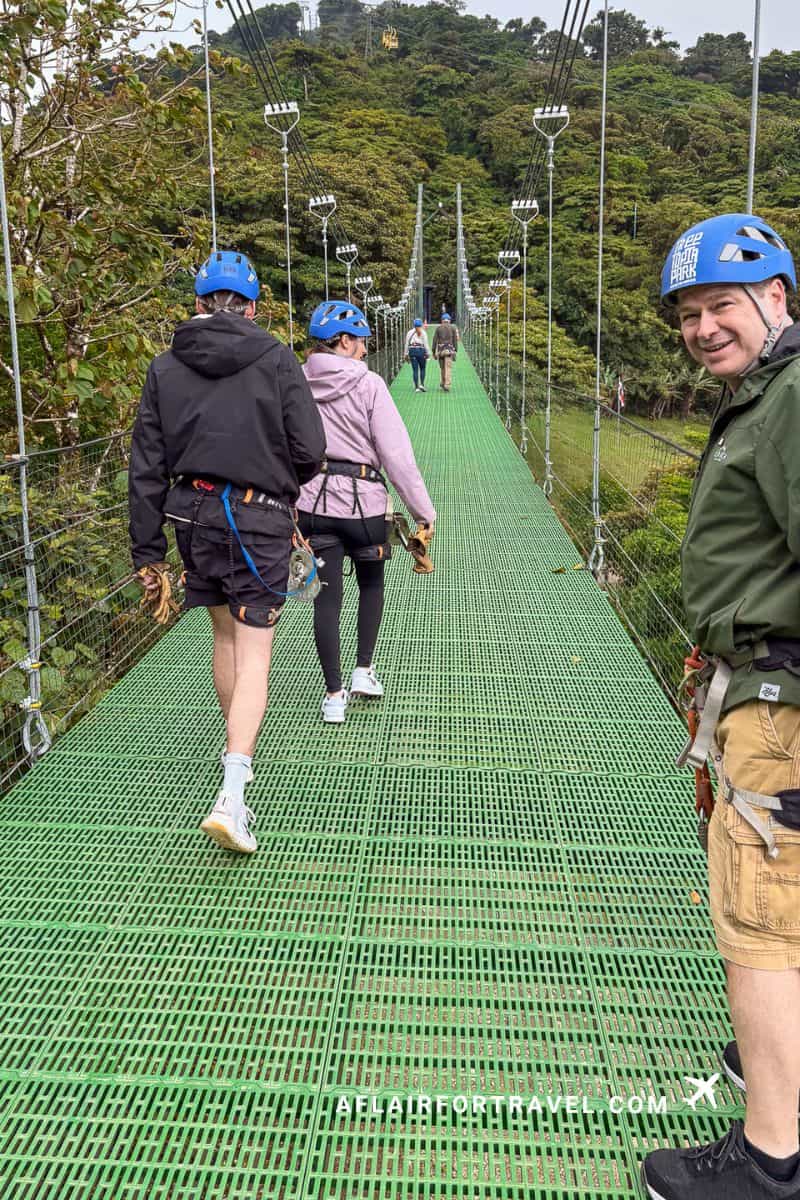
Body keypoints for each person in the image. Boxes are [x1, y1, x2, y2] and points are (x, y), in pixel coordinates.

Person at [641, 214, 800, 1200]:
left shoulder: (786, 402)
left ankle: (768, 1160)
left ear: (777, 297)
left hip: (779, 709)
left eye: (722, 306)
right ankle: (771, 1066)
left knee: (756, 927)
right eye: (688, 314)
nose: (701, 328)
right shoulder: (765, 395)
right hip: (759, 689)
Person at [129, 250, 325, 854]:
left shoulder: (165, 366)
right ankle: (233, 795)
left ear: (197, 304)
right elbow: (311, 448)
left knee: (223, 637)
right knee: (256, 650)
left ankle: (235, 755)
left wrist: (147, 550)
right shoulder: (276, 359)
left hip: (192, 517)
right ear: (253, 306)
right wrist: (275, 479)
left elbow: (147, 467)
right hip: (258, 519)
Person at [297, 300, 436, 724]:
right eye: (359, 341)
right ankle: (364, 671)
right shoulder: (370, 384)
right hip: (364, 507)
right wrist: (422, 512)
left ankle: (333, 696)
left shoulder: (295, 383)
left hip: (312, 504)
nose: (363, 350)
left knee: (326, 598)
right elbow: (396, 456)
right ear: (343, 340)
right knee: (371, 585)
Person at [431, 313, 460, 392]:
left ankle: (443, 382)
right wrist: (455, 350)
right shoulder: (453, 328)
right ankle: (447, 384)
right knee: (448, 367)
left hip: (440, 351)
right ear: (449, 320)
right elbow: (455, 341)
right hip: (449, 350)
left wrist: (433, 352)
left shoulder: (438, 328)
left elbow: (434, 341)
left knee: (442, 368)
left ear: (442, 320)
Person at [404, 317, 430, 392]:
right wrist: (428, 353)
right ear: (421, 325)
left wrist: (405, 354)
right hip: (421, 351)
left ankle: (416, 387)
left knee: (415, 370)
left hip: (412, 351)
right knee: (422, 368)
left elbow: (407, 344)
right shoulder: (423, 332)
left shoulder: (409, 332)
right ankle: (422, 384)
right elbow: (426, 344)